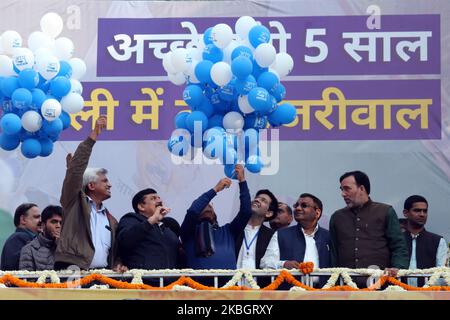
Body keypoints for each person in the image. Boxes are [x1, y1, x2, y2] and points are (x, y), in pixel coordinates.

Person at [54, 116, 125, 272]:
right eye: (105, 181)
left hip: (103, 274)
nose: (110, 184)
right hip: (72, 268)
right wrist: (94, 135)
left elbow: (114, 250)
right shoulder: (73, 202)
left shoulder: (110, 219)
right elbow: (77, 170)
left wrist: (117, 264)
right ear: (91, 185)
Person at [329, 171, 409, 280]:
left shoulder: (385, 211)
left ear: (361, 188)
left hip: (380, 286)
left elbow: (398, 246)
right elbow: (334, 253)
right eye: (342, 190)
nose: (343, 194)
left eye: (347, 189)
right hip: (345, 286)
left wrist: (397, 268)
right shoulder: (337, 217)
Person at [180, 164, 251, 270]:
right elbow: (193, 212)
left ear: (214, 214)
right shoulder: (189, 232)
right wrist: (215, 189)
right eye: (203, 205)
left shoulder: (228, 231)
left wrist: (242, 181)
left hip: (228, 285)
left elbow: (246, 212)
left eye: (210, 206)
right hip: (197, 285)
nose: (207, 206)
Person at [261, 193, 331, 287]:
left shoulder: (329, 236)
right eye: (296, 205)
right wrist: (284, 264)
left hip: (322, 293)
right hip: (290, 293)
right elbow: (265, 263)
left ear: (317, 213)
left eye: (304, 206)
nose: (297, 208)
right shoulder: (281, 234)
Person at [117, 188, 180, 270]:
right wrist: (152, 220)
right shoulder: (131, 219)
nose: (159, 201)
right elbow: (125, 240)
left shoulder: (169, 225)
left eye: (159, 198)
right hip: (144, 279)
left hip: (171, 280)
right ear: (141, 206)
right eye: (153, 198)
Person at [402, 195, 448, 286]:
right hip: (397, 294)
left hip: (429, 295)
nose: (422, 214)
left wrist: (427, 288)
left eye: (425, 211)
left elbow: (443, 274)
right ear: (405, 213)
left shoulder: (438, 241)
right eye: (417, 210)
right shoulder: (396, 240)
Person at [236, 189, 278, 270]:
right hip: (232, 281)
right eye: (256, 198)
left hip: (258, 281)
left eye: (263, 200)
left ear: (269, 213)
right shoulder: (235, 228)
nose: (256, 200)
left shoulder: (272, 235)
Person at [19, 205, 62, 271]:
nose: (58, 226)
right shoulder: (29, 250)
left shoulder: (69, 248)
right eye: (54, 222)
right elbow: (27, 280)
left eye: (61, 223)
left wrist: (61, 246)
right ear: (43, 225)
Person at [1, 203, 41, 270]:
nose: (40, 220)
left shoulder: (24, 237)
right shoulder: (18, 238)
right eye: (36, 217)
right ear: (23, 220)